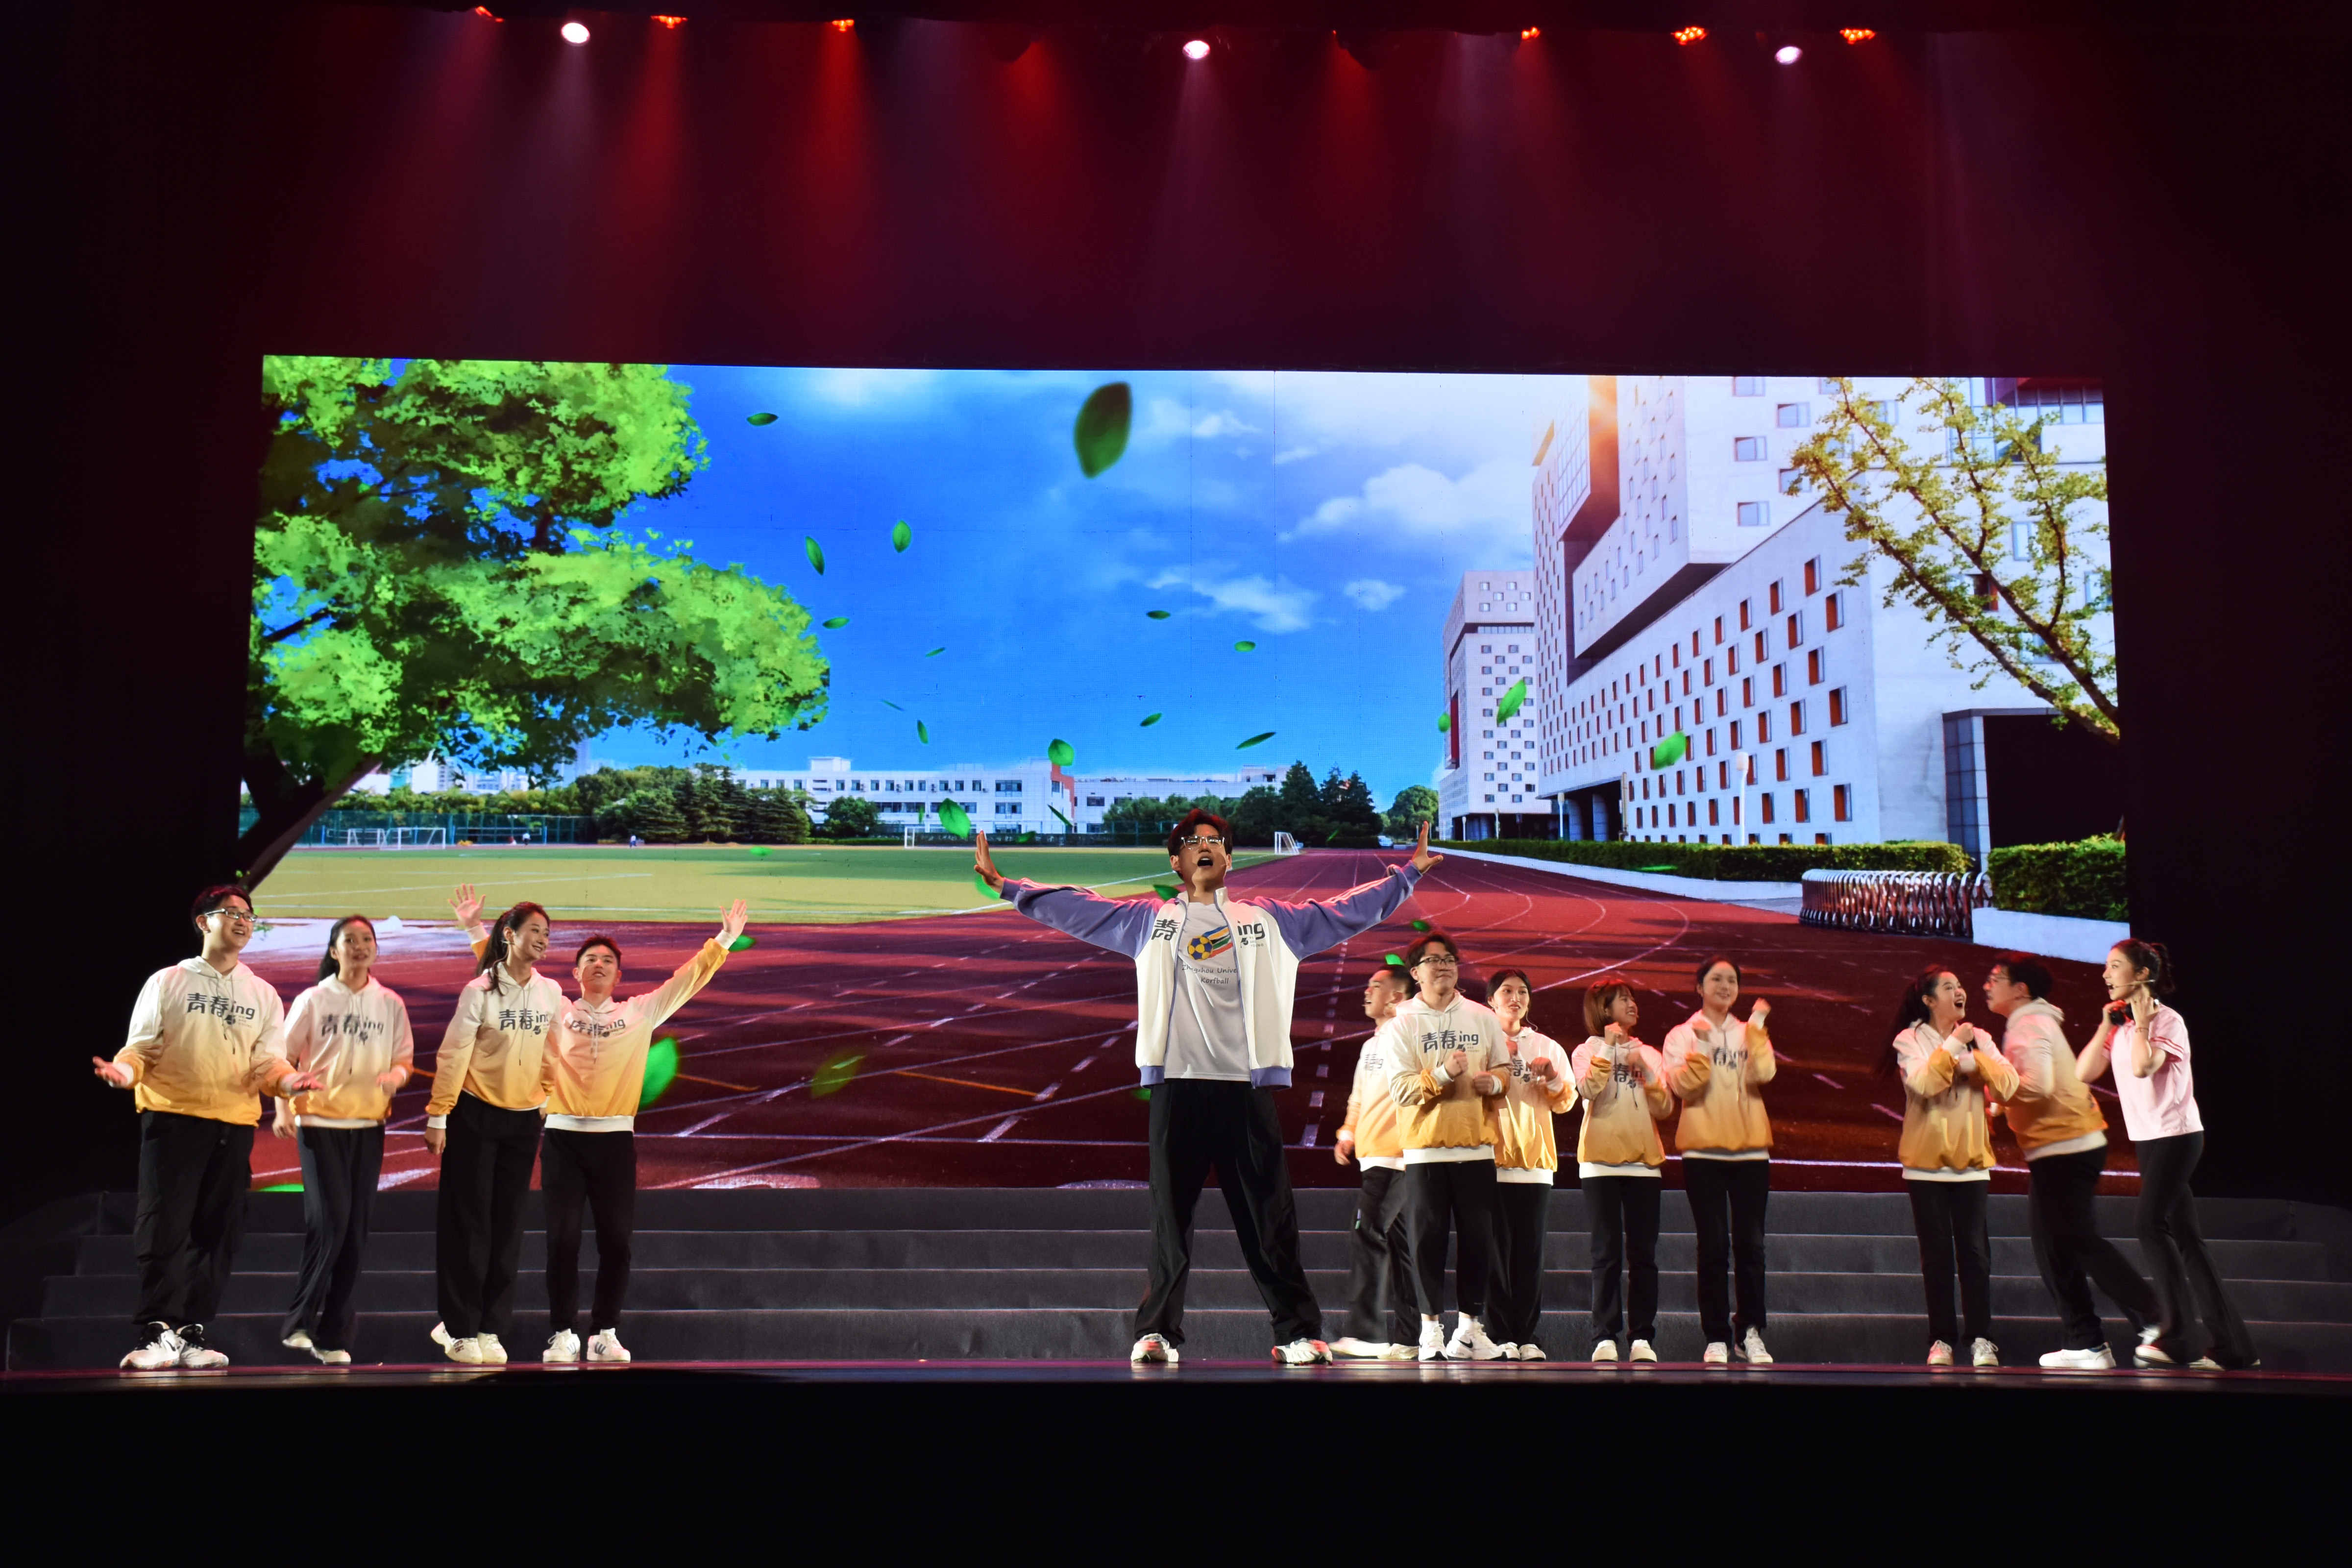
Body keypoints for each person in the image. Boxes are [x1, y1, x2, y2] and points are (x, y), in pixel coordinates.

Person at [981, 811, 1436, 1366]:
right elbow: (1079, 907)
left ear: (1228, 858)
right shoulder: (1147, 921)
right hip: (1178, 1087)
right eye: (1193, 842)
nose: (1205, 847)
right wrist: (1010, 887)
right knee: (1169, 1219)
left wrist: (1407, 875)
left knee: (1270, 1219)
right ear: (1176, 861)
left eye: (1215, 841)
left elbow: (1343, 911)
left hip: (1245, 1089)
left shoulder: (1269, 921)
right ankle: (1157, 1333)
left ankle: (1297, 1331)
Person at [93, 884, 321, 1370]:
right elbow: (141, 1047)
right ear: (204, 922)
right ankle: (157, 1329)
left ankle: (192, 1331)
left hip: (234, 1124)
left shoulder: (262, 993)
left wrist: (290, 1082)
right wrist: (124, 1073)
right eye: (231, 913)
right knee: (164, 1226)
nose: (242, 921)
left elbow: (269, 1062)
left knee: (219, 1234)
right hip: (175, 1119)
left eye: (249, 915)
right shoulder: (169, 981)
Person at [530, 903, 747, 1364]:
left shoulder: (639, 1013)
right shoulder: (555, 1008)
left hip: (614, 1141)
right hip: (563, 1138)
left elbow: (685, 981)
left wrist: (724, 940)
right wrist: (476, 931)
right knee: (562, 1241)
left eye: (608, 960)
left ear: (619, 976)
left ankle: (604, 1333)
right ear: (575, 973)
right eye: (591, 959)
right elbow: (511, 982)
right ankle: (563, 1333)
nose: (599, 964)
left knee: (617, 1242)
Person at [2078, 940, 2258, 1370]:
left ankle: (2177, 1338)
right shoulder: (2120, 1026)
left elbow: (2143, 1067)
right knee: (2188, 1239)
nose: (2106, 974)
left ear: (2142, 974)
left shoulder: (2168, 1021)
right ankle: (2235, 1348)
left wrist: (2142, 1025)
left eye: (2115, 966)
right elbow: (2083, 1072)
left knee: (2148, 1223)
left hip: (2177, 1136)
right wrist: (2106, 1026)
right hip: (2149, 1139)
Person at [1984, 953, 2158, 1370]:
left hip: (2067, 1145)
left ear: (2020, 989)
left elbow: (2036, 1087)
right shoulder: (2028, 1021)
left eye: (1995, 978)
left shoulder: (2030, 1023)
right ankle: (2086, 1342)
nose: (1987, 985)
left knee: (2074, 1238)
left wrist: (1985, 1076)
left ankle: (2157, 1320)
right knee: (2052, 1246)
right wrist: (1997, 1102)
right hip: (2058, 1146)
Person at [271, 914, 414, 1365]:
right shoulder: (314, 999)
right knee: (329, 1221)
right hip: (319, 1125)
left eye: (367, 939)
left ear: (376, 949)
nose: (360, 946)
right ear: (334, 951)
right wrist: (283, 1106)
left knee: (354, 1232)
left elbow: (404, 1059)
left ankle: (333, 1336)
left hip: (368, 1127)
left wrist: (395, 1077)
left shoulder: (389, 1003)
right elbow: (281, 1058)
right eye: (349, 940)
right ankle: (299, 1322)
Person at [424, 899, 562, 1366]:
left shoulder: (550, 992)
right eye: (535, 931)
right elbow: (453, 1054)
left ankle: (490, 1327)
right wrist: (439, 1115)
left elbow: (553, 1050)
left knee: (507, 1226)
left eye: (547, 933)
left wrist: (544, 1095)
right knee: (469, 1224)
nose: (542, 939)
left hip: (523, 1121)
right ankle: (459, 1328)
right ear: (509, 934)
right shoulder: (480, 990)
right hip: (475, 1114)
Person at [1381, 929, 1515, 1361]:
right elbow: (1401, 1091)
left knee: (1479, 1242)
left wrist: (1495, 1082)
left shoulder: (1482, 1017)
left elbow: (1504, 1069)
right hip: (1425, 1151)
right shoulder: (1403, 1024)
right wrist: (1442, 1074)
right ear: (1416, 973)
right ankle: (1430, 1331)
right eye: (1433, 960)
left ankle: (1470, 1331)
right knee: (1427, 1244)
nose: (1443, 966)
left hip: (1476, 1149)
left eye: (1450, 960)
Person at [1882, 966, 2019, 1369]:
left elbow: (2010, 1086)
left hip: (1972, 1163)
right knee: (1937, 1257)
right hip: (1926, 1165)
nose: (1960, 992)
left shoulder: (1981, 1039)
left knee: (1976, 1255)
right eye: (1949, 987)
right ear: (1928, 1000)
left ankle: (1981, 1339)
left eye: (1960, 986)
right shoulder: (1909, 1040)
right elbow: (1924, 1084)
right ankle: (1941, 1339)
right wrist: (1956, 1044)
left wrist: (1979, 1061)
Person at [1663, 956, 1776, 1366]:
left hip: (1751, 1151)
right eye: (1716, 979)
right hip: (1703, 1152)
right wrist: (1705, 1046)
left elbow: (1764, 1074)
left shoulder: (1750, 1032)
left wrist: (1758, 1029)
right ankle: (1716, 1336)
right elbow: (1684, 1086)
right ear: (1699, 987)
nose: (1725, 986)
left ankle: (1750, 1332)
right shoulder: (1682, 1035)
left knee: (1752, 1247)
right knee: (1712, 1246)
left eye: (1732, 980)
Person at [1570, 980, 1673, 1365]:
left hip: (1644, 1164)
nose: (1632, 1004)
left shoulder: (1649, 1053)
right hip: (1599, 1163)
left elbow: (1664, 1109)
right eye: (1623, 1000)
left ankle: (1642, 1336)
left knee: (1644, 1256)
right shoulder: (1586, 1050)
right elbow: (1588, 1090)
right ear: (1604, 1009)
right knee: (1606, 1253)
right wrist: (1609, 1049)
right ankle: (1605, 1336)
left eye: (1632, 998)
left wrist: (1648, 1073)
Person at [1330, 964, 1420, 1361]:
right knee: (1401, 1249)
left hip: (1396, 1157)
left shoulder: (1409, 1038)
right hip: (1374, 1156)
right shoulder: (1371, 1045)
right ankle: (1412, 1337)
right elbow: (1359, 1096)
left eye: (1376, 986)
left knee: (1368, 1232)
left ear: (1397, 996)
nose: (1367, 991)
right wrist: (1348, 1133)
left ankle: (1366, 1333)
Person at [1486, 967, 1576, 1361]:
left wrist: (1552, 1077)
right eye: (1506, 991)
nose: (1515, 998)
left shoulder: (1546, 1046)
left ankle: (1527, 1337)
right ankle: (1499, 1335)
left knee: (1529, 1257)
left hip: (1534, 1164)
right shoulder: (1480, 1042)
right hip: (1489, 1161)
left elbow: (1567, 1102)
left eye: (1522, 992)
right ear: (1491, 1001)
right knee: (1495, 1257)